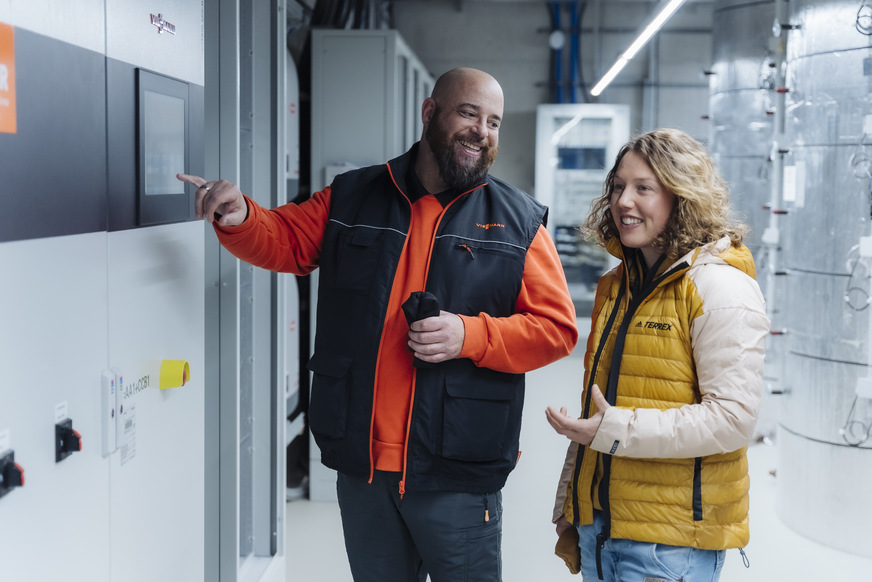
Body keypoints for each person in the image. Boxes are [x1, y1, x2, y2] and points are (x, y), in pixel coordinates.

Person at [179, 67, 578, 582]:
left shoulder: (519, 220)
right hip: (364, 467)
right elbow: (284, 239)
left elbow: (556, 328)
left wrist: (470, 335)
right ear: (430, 112)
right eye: (468, 113)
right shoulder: (353, 196)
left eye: (494, 122)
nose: (483, 130)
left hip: (456, 472)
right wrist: (239, 216)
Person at [545, 128, 769, 582]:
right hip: (600, 527)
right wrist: (572, 500)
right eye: (618, 187)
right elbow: (598, 408)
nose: (623, 201)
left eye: (643, 188)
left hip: (669, 543)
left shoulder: (718, 287)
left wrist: (615, 431)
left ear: (682, 197)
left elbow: (732, 419)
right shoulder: (616, 286)